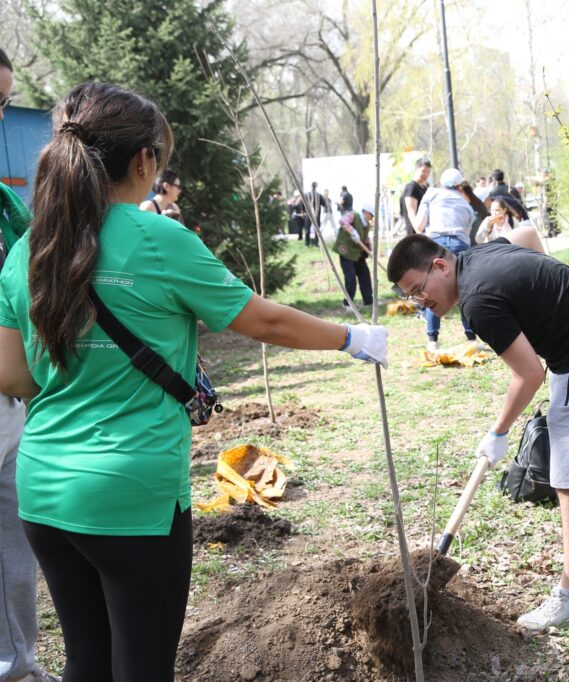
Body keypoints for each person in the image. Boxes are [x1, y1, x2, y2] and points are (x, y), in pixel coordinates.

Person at [0, 82, 388, 682]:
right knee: (143, 665)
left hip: (44, 491)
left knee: (86, 660)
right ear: (144, 160)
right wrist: (352, 338)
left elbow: (12, 374)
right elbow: (264, 320)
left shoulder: (26, 249)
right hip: (133, 496)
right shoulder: (158, 239)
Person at [387, 233, 569, 630]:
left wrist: (498, 431)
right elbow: (524, 236)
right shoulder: (479, 255)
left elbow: (529, 373)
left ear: (440, 266)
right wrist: (551, 297)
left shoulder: (477, 301)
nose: (420, 301)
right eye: (412, 296)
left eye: (419, 289)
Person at [0, 46, 60, 682]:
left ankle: (18, 666)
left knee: (15, 550)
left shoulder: (3, 203)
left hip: (9, 403)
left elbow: (38, 256)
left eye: (3, 104)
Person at [411, 168, 478, 352]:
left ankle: (433, 339)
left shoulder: (430, 195)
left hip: (435, 244)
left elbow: (419, 225)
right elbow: (468, 231)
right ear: (459, 185)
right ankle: (471, 337)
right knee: (464, 290)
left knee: (431, 290)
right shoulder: (465, 204)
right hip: (460, 245)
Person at [334, 203, 374, 308]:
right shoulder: (354, 215)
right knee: (350, 278)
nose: (372, 218)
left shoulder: (366, 224)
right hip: (346, 252)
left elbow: (365, 239)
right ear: (366, 212)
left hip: (358, 253)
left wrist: (370, 250)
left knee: (365, 275)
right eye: (371, 215)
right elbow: (342, 221)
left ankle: (368, 302)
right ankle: (347, 304)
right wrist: (352, 231)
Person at [399, 158, 431, 237]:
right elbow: (411, 213)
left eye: (428, 171)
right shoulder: (412, 188)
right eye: (423, 171)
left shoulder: (425, 188)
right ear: (416, 170)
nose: (426, 174)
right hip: (415, 236)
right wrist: (419, 233)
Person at [303, 181, 324, 247]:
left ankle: (307, 243)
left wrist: (302, 212)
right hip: (317, 215)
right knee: (317, 230)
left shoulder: (306, 194)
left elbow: (302, 204)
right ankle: (316, 243)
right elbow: (324, 204)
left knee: (307, 229)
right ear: (316, 186)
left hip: (308, 214)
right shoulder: (319, 195)